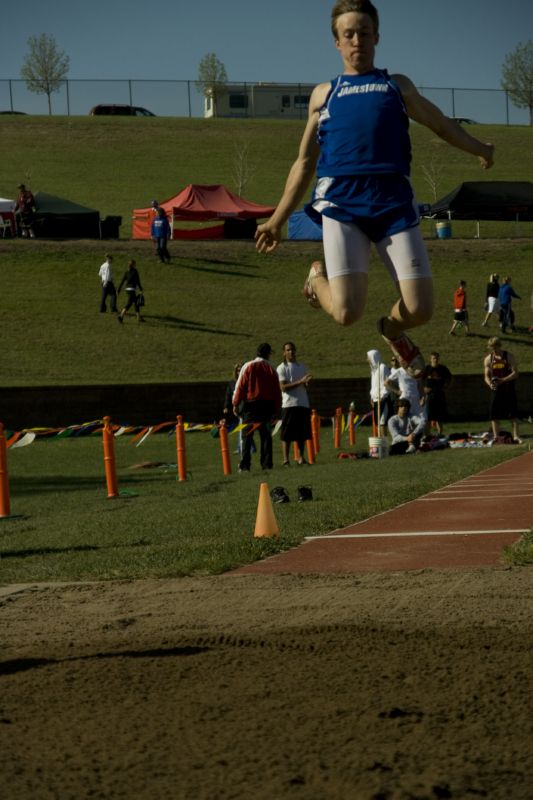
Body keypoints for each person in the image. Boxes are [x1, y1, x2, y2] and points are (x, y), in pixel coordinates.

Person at [255, 0, 494, 379]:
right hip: (342, 206)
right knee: (348, 313)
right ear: (336, 42)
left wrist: (479, 147)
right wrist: (276, 219)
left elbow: (440, 124)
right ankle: (317, 278)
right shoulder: (324, 95)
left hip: (393, 205)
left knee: (421, 309)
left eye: (364, 33)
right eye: (348, 34)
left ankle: (392, 329)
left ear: (376, 37)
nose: (357, 41)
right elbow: (303, 163)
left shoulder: (396, 86)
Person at [232, 343, 282, 472]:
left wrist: (235, 404)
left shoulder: (248, 366)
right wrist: (277, 408)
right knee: (266, 436)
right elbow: (277, 391)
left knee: (246, 436)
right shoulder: (272, 368)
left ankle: (245, 465)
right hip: (267, 406)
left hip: (251, 406)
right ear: (268, 354)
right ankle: (267, 464)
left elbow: (240, 386)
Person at [276, 342, 312, 466]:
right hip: (289, 404)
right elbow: (283, 387)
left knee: (302, 434)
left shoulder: (302, 366)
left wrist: (307, 383)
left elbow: (306, 385)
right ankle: (286, 460)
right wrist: (301, 381)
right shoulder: (281, 368)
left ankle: (301, 458)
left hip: (302, 403)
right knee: (286, 434)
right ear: (284, 352)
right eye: (288, 350)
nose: (291, 352)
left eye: (292, 350)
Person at [483, 337, 522, 443]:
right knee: (494, 413)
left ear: (499, 346)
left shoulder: (508, 356)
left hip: (508, 389)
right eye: (491, 348)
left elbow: (515, 373)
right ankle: (496, 436)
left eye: (495, 347)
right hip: (496, 390)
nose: (494, 350)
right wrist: (490, 384)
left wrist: (502, 380)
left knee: (512, 413)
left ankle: (516, 436)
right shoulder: (488, 359)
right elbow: (486, 376)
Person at [421, 352, 452, 436]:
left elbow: (449, 378)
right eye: (434, 358)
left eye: (437, 358)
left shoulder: (443, 368)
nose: (436, 360)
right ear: (430, 359)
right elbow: (421, 380)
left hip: (439, 394)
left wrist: (446, 387)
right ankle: (427, 434)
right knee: (429, 416)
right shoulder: (427, 369)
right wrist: (424, 388)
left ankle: (440, 433)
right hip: (429, 395)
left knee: (439, 416)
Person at [367, 349, 391, 437]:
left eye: (368, 358)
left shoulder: (382, 367)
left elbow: (387, 383)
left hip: (383, 399)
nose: (367, 360)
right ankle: (380, 441)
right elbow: (373, 386)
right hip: (376, 399)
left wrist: (383, 396)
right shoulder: (373, 370)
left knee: (382, 421)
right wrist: (372, 397)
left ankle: (385, 442)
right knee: (377, 422)